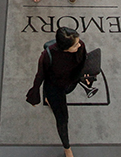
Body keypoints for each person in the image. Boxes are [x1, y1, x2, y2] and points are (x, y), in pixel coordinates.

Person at [26, 27, 86, 157]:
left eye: (78, 41)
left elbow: (83, 63)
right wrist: (34, 95)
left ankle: (49, 100)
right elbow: (40, 76)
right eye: (75, 45)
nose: (80, 45)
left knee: (62, 97)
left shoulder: (80, 46)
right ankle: (67, 147)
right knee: (63, 119)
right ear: (65, 48)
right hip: (54, 87)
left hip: (70, 82)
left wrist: (83, 77)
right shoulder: (47, 56)